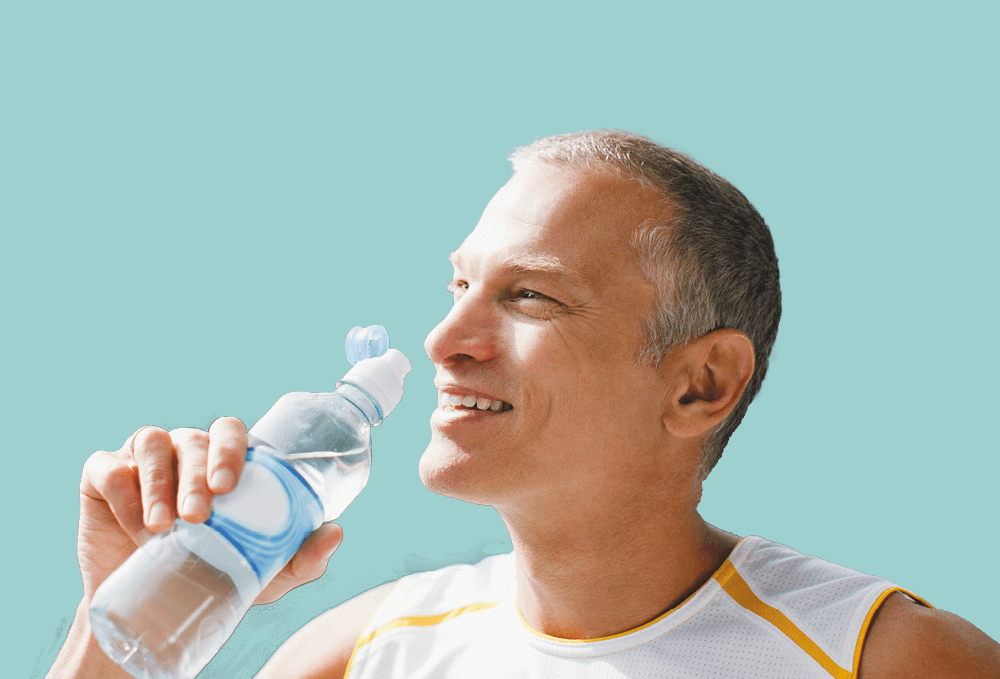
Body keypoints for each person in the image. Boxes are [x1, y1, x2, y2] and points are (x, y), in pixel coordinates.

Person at [49, 130, 1000, 679]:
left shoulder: (881, 659)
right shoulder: (359, 657)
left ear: (699, 384)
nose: (444, 340)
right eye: (458, 285)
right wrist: (114, 617)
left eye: (529, 295)